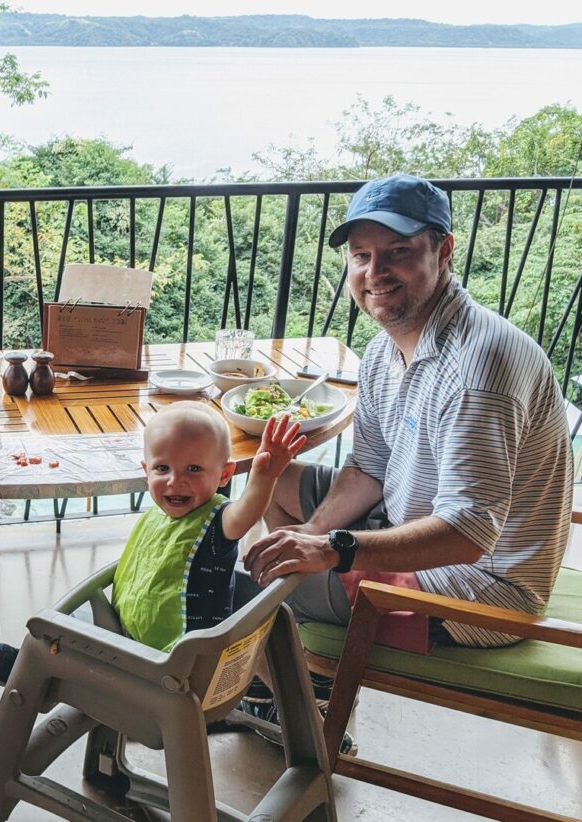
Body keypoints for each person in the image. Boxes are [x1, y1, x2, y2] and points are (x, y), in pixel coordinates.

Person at [236, 173, 573, 741]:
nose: (375, 273)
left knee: (245, 587)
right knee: (271, 481)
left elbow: (468, 533)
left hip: (480, 583)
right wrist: (313, 532)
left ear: (443, 252)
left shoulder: (476, 368)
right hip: (412, 519)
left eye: (398, 253)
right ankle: (302, 674)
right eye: (361, 256)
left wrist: (331, 549)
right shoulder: (383, 349)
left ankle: (299, 719)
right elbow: (370, 466)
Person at [0, 401, 306, 682]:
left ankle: (38, 678)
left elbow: (245, 514)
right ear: (145, 470)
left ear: (224, 475)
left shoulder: (216, 525)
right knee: (68, 620)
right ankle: (37, 664)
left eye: (194, 469)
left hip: (175, 665)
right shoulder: (161, 514)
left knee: (69, 635)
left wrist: (264, 476)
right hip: (134, 640)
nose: (175, 481)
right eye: (162, 468)